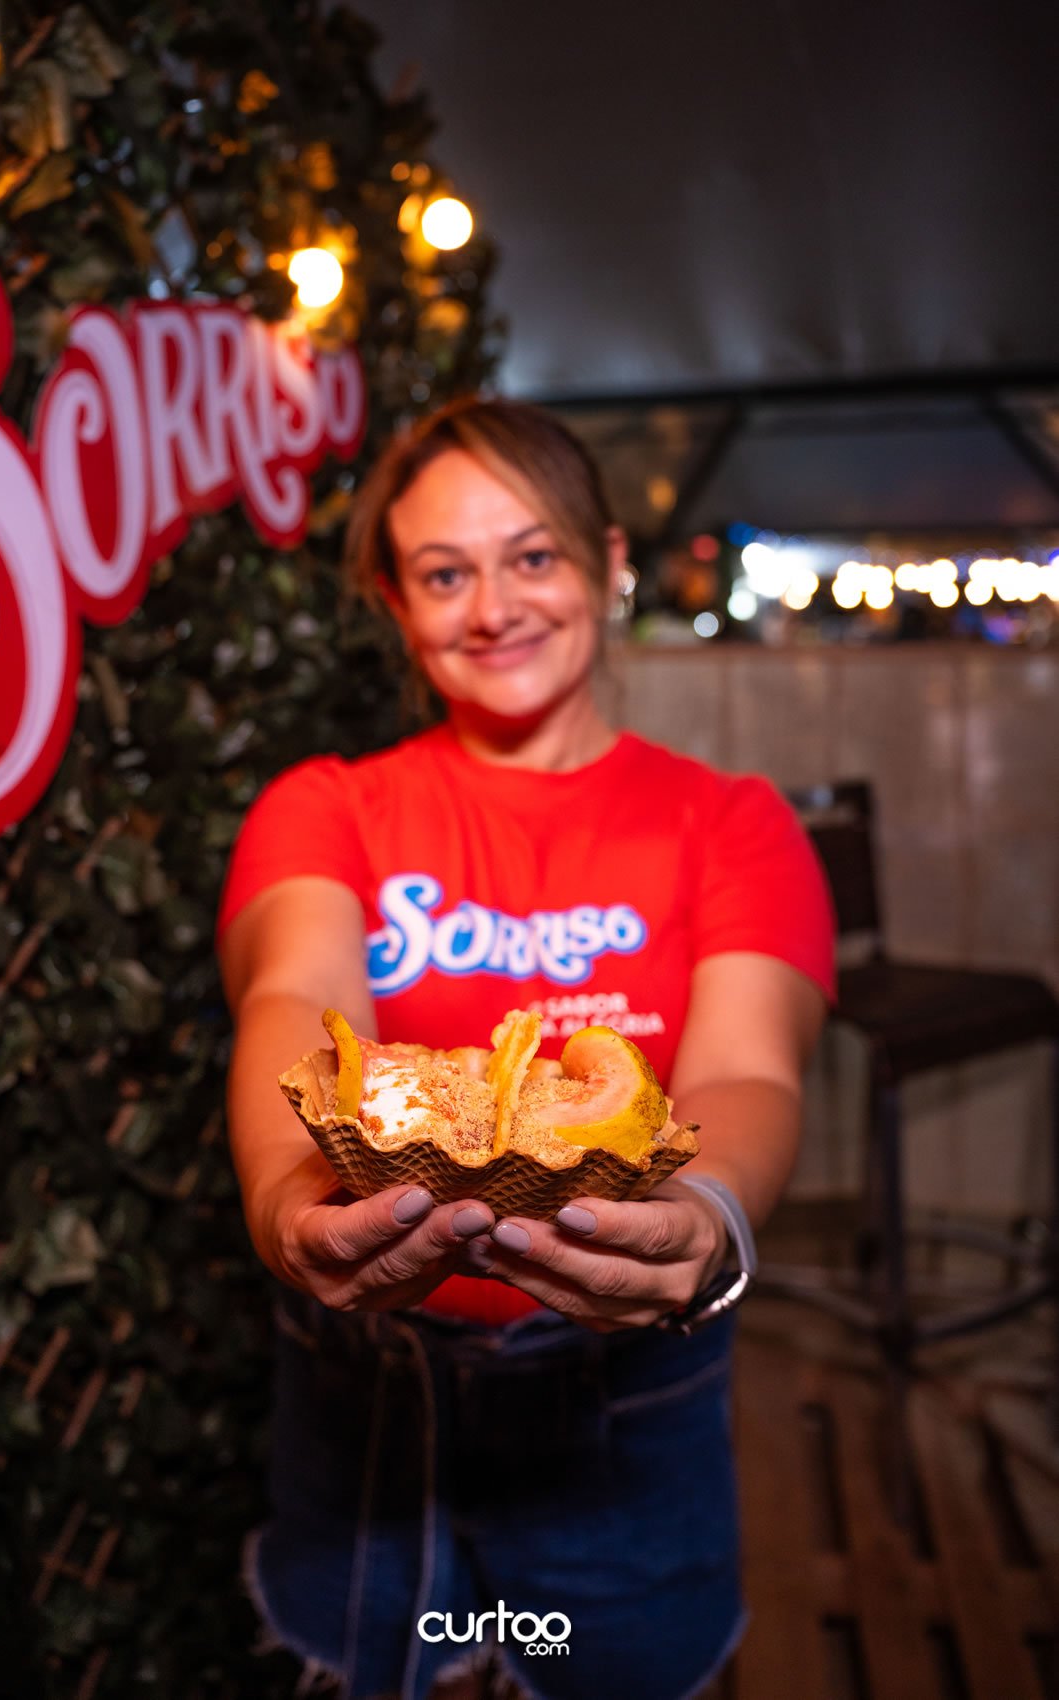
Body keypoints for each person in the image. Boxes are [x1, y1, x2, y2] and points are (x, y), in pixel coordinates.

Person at [215, 397, 835, 1700]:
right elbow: (298, 1000)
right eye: (445, 574)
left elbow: (746, 1072)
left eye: (532, 555)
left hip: (624, 1401)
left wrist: (708, 1217)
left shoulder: (731, 823)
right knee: (369, 1671)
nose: (493, 607)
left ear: (608, 563)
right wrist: (282, 1204)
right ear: (395, 602)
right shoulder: (326, 807)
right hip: (368, 1395)